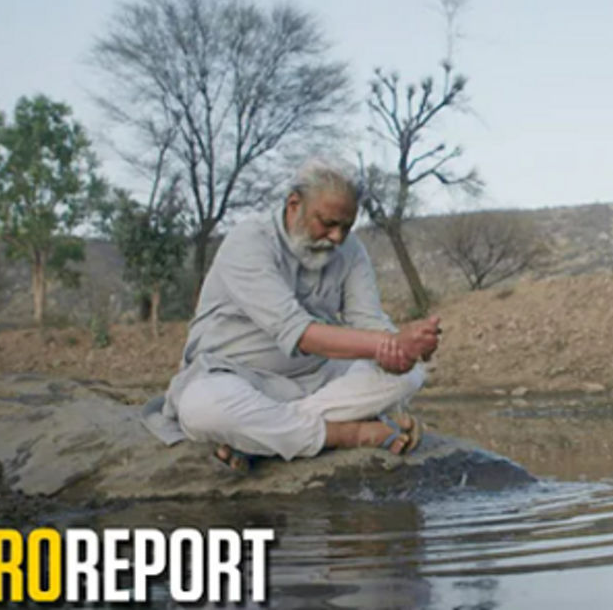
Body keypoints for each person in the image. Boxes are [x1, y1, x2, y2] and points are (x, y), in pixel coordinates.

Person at [140, 159, 440, 470]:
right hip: (233, 376)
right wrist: (386, 344)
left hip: (317, 379)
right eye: (327, 223)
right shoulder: (249, 240)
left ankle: (261, 440)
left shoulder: (351, 250)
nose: (337, 237)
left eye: (346, 226)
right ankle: (347, 433)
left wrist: (402, 352)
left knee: (410, 376)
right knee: (204, 409)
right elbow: (299, 333)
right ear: (294, 204)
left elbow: (369, 322)